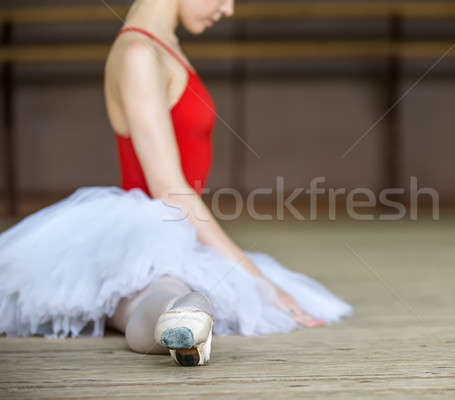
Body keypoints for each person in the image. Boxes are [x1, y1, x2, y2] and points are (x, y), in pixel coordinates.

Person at [0, 0, 352, 367]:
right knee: (162, 290)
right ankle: (179, 318)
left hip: (173, 224)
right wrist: (259, 281)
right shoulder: (139, 52)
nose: (228, 9)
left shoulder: (160, 45)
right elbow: (169, 189)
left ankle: (182, 317)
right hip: (154, 221)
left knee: (164, 289)